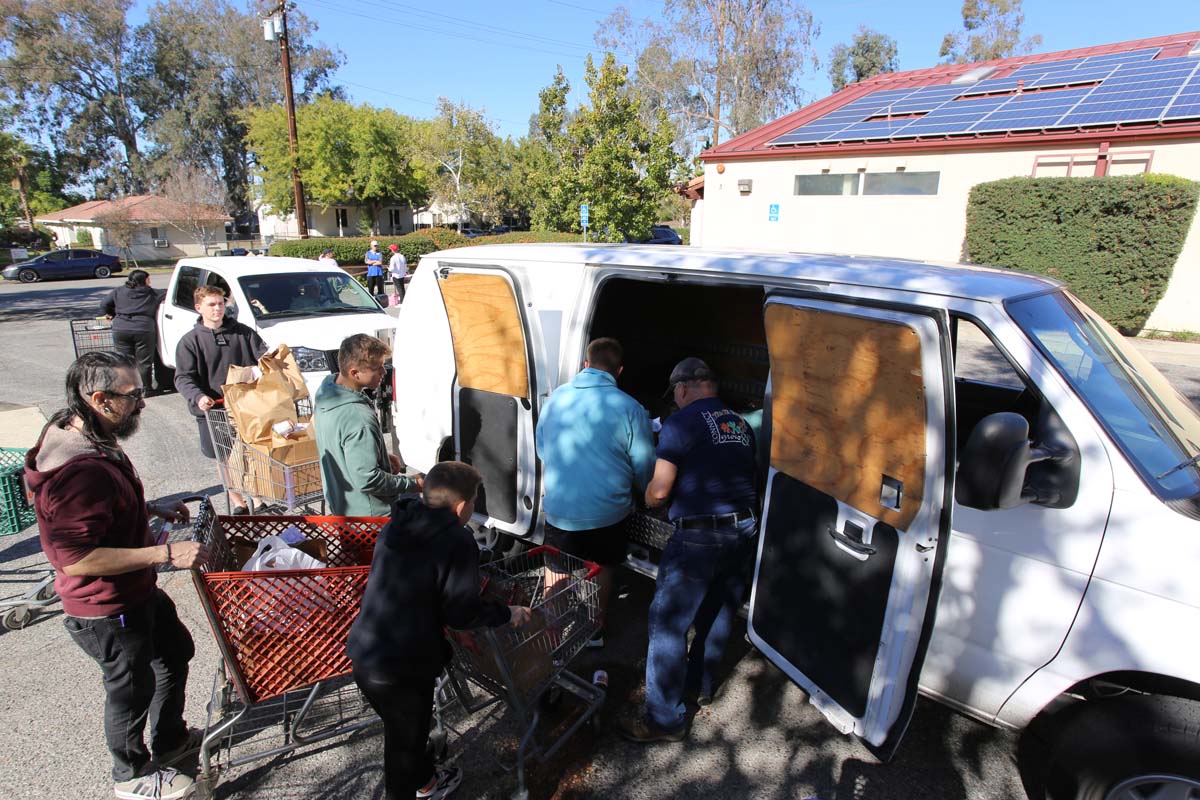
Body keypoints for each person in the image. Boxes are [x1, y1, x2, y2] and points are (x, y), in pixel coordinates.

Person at [24, 351, 210, 800]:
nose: (143, 403)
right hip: (106, 606)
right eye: (134, 396)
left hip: (136, 589)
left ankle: (169, 739)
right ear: (99, 398)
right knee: (130, 688)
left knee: (174, 651)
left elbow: (97, 513)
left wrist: (145, 510)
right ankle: (131, 775)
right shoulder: (78, 471)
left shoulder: (85, 429)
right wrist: (164, 552)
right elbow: (76, 558)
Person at [348, 461, 532, 800]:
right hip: (402, 665)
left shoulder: (397, 522)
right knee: (402, 748)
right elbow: (461, 612)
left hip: (364, 650)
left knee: (405, 732)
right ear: (462, 506)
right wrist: (507, 612)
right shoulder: (457, 541)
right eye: (474, 501)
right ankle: (419, 786)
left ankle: (427, 776)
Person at [620, 357, 758, 743]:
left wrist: (648, 499)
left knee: (668, 623)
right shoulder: (741, 424)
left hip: (699, 536)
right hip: (743, 528)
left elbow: (660, 489)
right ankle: (698, 685)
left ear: (681, 389)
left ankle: (664, 720)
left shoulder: (681, 422)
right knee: (717, 611)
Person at [535, 337, 654, 647]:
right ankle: (594, 630)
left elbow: (543, 449)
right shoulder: (631, 408)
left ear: (585, 365)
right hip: (608, 512)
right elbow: (644, 465)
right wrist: (645, 496)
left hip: (561, 508)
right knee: (602, 566)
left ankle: (552, 632)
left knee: (556, 568)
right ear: (619, 371)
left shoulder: (556, 399)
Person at [174, 285, 268, 515]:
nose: (218, 309)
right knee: (224, 456)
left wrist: (271, 364)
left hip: (244, 406)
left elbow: (264, 358)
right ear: (199, 308)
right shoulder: (190, 341)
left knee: (249, 454)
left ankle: (257, 498)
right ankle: (238, 501)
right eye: (211, 305)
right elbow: (183, 377)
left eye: (220, 303)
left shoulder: (243, 333)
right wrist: (198, 396)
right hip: (213, 409)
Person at [314, 333, 418, 515]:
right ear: (354, 373)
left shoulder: (326, 395)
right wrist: (412, 484)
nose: (384, 372)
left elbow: (345, 444)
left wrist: (380, 455)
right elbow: (368, 479)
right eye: (377, 368)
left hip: (344, 511)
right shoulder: (357, 416)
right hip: (370, 520)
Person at [100, 269, 169, 395]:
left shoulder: (118, 291)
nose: (150, 281)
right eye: (148, 279)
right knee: (144, 361)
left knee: (124, 361)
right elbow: (169, 293)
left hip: (121, 328)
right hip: (144, 329)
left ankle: (127, 387)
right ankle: (146, 388)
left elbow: (104, 304)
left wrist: (111, 313)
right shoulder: (152, 293)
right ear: (143, 280)